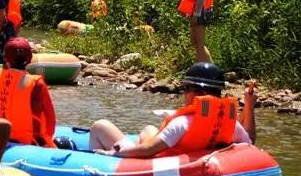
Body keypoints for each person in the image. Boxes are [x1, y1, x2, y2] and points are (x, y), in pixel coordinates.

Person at [89, 62, 256, 157]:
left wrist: (113, 154)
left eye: (186, 89)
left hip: (152, 162)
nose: (184, 94)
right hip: (185, 161)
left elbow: (148, 150)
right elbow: (250, 141)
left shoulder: (182, 123)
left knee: (100, 126)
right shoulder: (230, 124)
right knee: (148, 129)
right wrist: (249, 106)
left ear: (200, 93)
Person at [0, 38, 56, 148]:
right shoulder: (37, 84)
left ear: (5, 58)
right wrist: (47, 142)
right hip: (27, 143)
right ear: (29, 58)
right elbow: (49, 119)